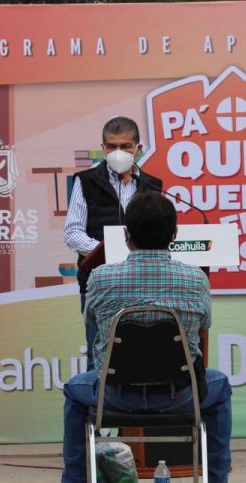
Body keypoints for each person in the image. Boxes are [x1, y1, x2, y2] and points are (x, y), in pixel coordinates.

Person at [49, 191, 246, 483]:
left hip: (113, 398)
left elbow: (93, 323)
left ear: (126, 237)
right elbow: (203, 326)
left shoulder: (100, 279)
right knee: (220, 385)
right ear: (174, 235)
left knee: (75, 391)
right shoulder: (196, 279)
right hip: (180, 398)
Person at [63, 116, 163, 369]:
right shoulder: (85, 181)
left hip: (145, 282)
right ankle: (97, 407)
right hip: (100, 282)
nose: (118, 153)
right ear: (103, 148)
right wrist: (111, 253)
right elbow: (73, 233)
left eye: (126, 147)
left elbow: (157, 232)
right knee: (99, 356)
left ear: (138, 149)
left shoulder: (152, 185)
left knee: (149, 356)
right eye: (111, 146)